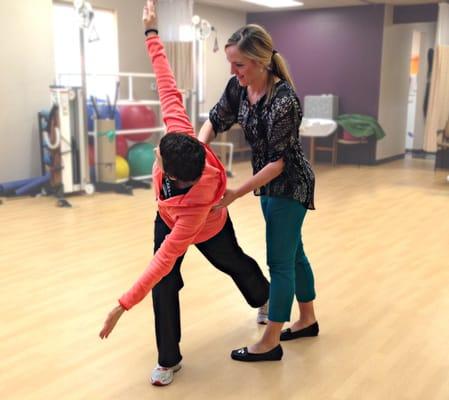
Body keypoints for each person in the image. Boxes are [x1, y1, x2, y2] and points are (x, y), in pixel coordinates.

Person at [99, 1, 269, 385]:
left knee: (234, 263)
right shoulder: (180, 135)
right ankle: (169, 358)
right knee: (166, 286)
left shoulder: (195, 203)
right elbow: (166, 82)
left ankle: (264, 299)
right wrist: (151, 33)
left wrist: (121, 306)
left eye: (159, 156)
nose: (156, 153)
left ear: (177, 176)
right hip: (167, 218)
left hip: (207, 225)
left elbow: (160, 261)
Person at [198, 24, 319, 362]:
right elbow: (214, 120)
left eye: (239, 65)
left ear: (261, 61)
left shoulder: (284, 101)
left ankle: (270, 340)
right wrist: (196, 151)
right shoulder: (239, 88)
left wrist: (235, 192)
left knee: (279, 262)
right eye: (231, 64)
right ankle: (307, 319)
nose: (233, 71)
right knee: (295, 254)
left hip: (290, 184)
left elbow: (279, 163)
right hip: (265, 183)